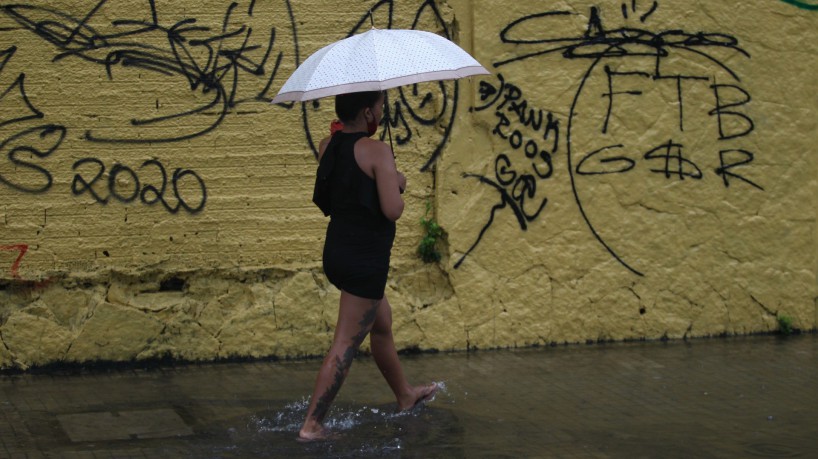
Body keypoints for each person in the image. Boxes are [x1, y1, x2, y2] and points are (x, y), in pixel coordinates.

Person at [299, 90, 438, 441]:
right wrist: (397, 180)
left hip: (337, 254)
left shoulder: (326, 146)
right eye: (379, 107)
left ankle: (405, 395)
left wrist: (388, 175)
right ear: (366, 112)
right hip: (365, 262)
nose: (381, 113)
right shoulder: (378, 152)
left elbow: (349, 183)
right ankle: (312, 426)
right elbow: (392, 209)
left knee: (381, 324)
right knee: (346, 342)